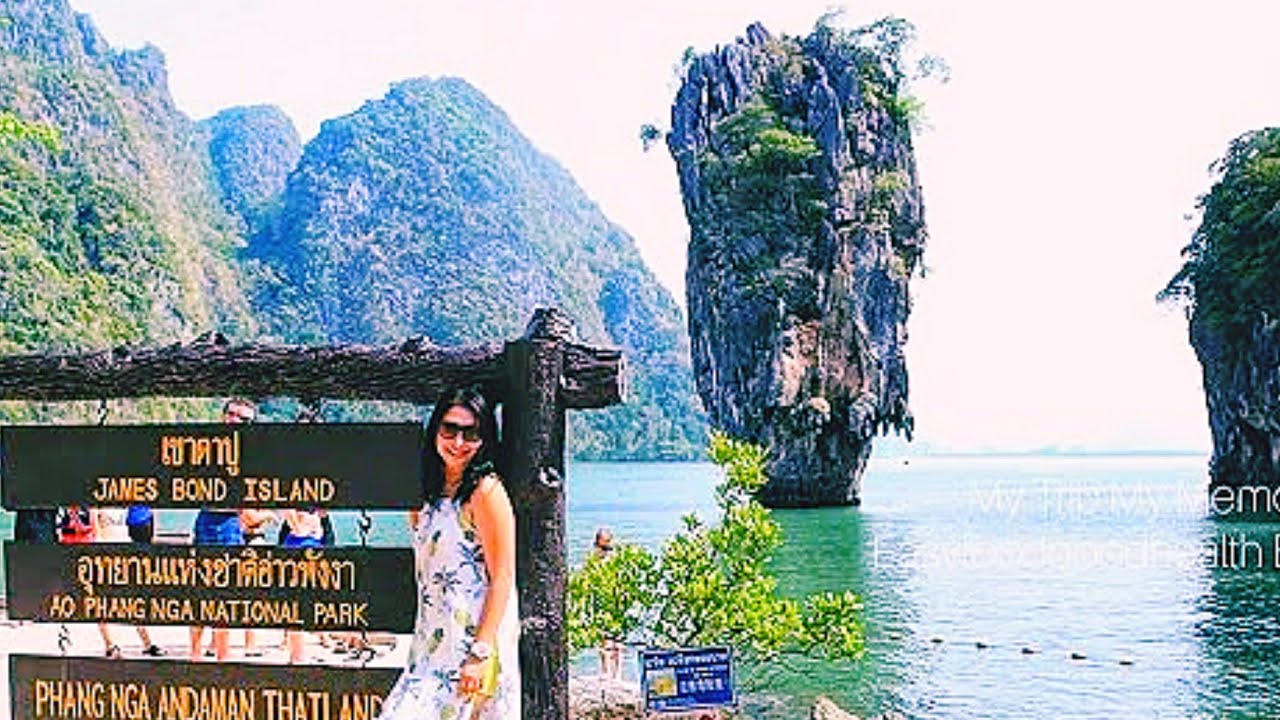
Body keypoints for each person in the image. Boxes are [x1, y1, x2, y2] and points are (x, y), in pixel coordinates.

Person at [378, 386, 520, 719]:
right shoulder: (424, 496)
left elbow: (502, 576)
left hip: (471, 647)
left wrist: (480, 653)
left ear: (485, 439)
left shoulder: (486, 492)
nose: (458, 442)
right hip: (429, 646)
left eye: (471, 433)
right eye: (449, 429)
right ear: (435, 430)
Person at [190, 397, 263, 661]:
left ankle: (223, 659)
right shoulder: (206, 447)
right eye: (231, 414)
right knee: (199, 594)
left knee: (224, 596)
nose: (235, 421)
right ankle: (195, 658)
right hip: (206, 520)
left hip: (230, 525)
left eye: (243, 419)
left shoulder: (251, 454)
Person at [279, 507, 326, 663]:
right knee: (297, 600)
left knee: (310, 599)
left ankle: (299, 652)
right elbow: (285, 506)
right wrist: (299, 529)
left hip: (312, 541)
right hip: (300, 541)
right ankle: (297, 655)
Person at [592, 527, 623, 680]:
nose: (605, 551)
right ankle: (605, 671)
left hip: (615, 601)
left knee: (616, 641)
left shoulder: (616, 560)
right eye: (602, 547)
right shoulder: (595, 560)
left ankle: (617, 673)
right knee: (603, 639)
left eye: (608, 548)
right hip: (601, 601)